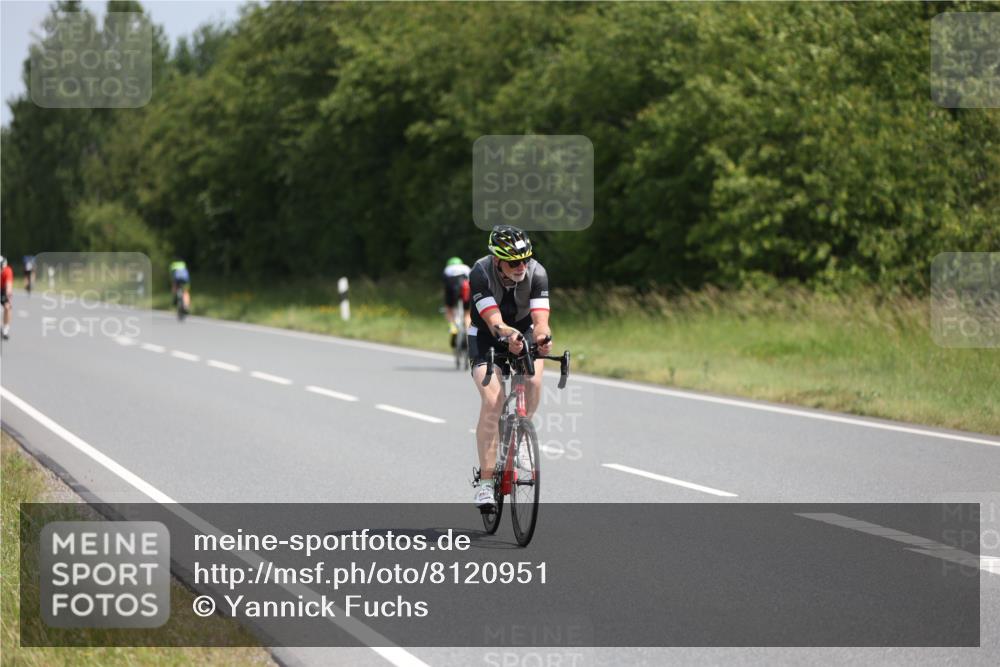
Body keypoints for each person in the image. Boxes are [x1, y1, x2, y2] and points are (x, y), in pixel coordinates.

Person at [468, 225, 552, 508]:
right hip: (486, 335)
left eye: (525, 260)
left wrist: (542, 338)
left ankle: (523, 435)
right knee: (493, 401)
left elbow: (540, 321)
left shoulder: (537, 273)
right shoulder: (480, 272)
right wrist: (507, 336)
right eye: (514, 262)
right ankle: (486, 483)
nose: (521, 267)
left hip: (523, 331)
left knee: (534, 380)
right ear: (497, 260)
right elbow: (493, 321)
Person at [442, 256, 471, 347]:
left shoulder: (447, 269)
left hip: (452, 287)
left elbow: (445, 284)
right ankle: (468, 331)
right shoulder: (466, 267)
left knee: (448, 308)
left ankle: (453, 327)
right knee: (467, 312)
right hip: (465, 288)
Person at [1, 256, 13, 339]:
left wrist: (8, 298)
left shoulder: (8, 271)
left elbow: (8, 286)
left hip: (3, 289)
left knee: (7, 307)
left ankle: (6, 329)